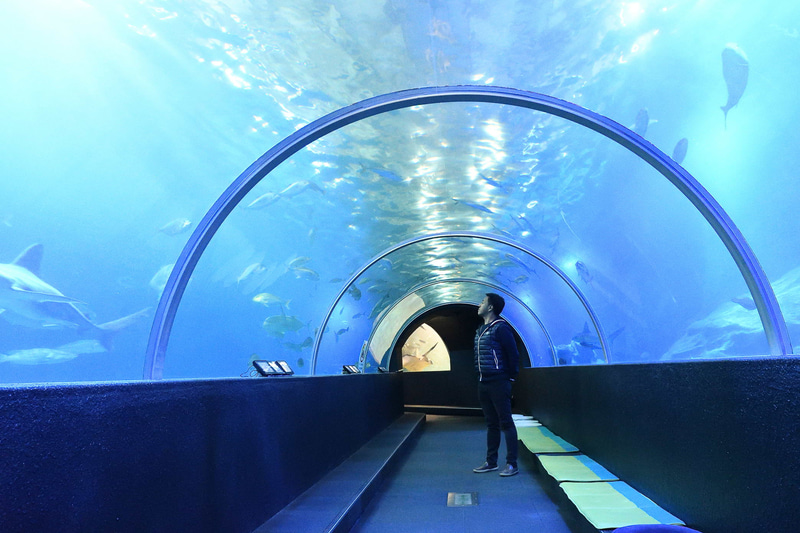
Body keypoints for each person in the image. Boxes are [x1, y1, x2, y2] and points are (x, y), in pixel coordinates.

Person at [472, 293, 520, 477]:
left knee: (506, 422)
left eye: (483, 301)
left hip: (499, 381)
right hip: (483, 382)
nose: (480, 304)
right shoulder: (481, 330)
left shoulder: (501, 328)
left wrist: (510, 378)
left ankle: (511, 464)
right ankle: (491, 462)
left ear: (491, 307)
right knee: (491, 424)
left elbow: (513, 354)